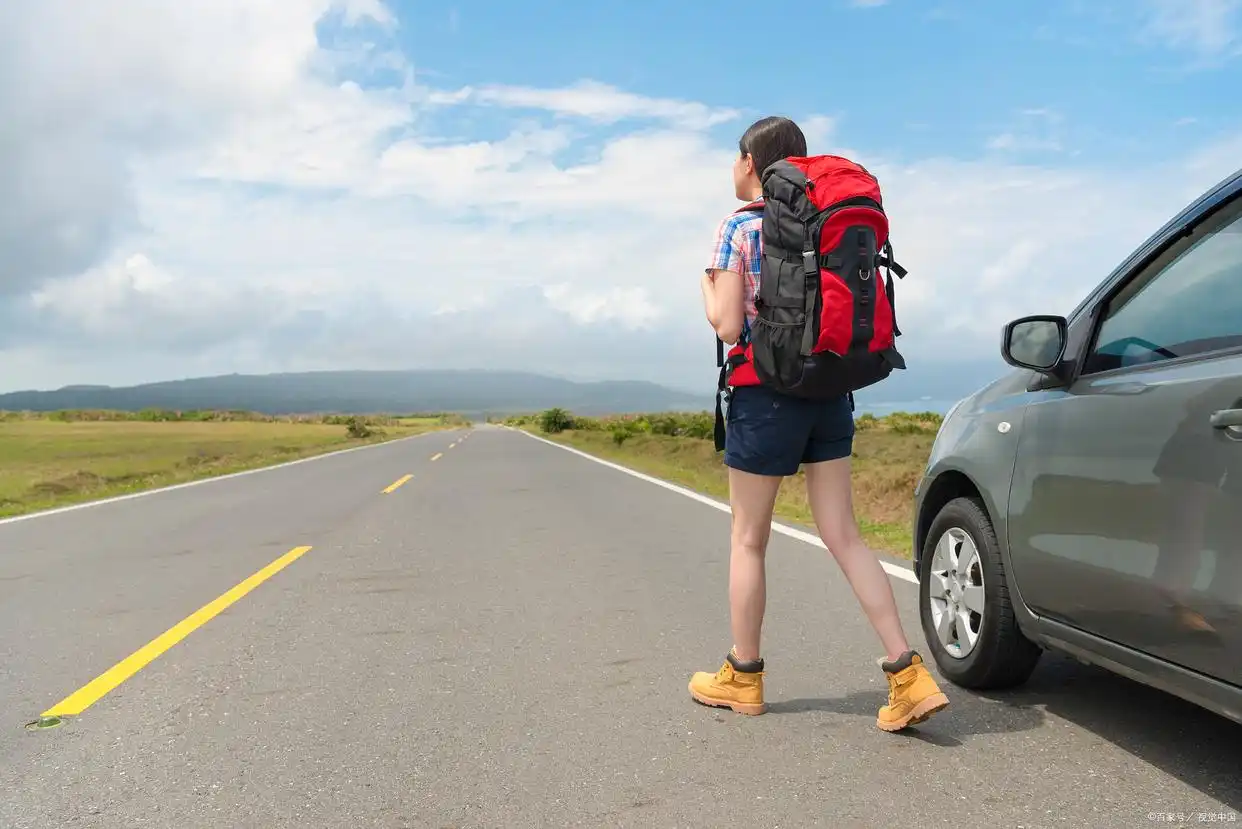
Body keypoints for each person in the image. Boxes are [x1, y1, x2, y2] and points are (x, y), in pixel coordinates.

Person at [691, 115, 950, 732]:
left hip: (763, 392)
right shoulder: (823, 223)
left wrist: (705, 290)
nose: (733, 167)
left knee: (749, 538)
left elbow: (728, 326)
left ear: (753, 164)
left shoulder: (739, 226)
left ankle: (742, 677)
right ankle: (906, 674)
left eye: (736, 156)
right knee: (846, 535)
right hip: (830, 387)